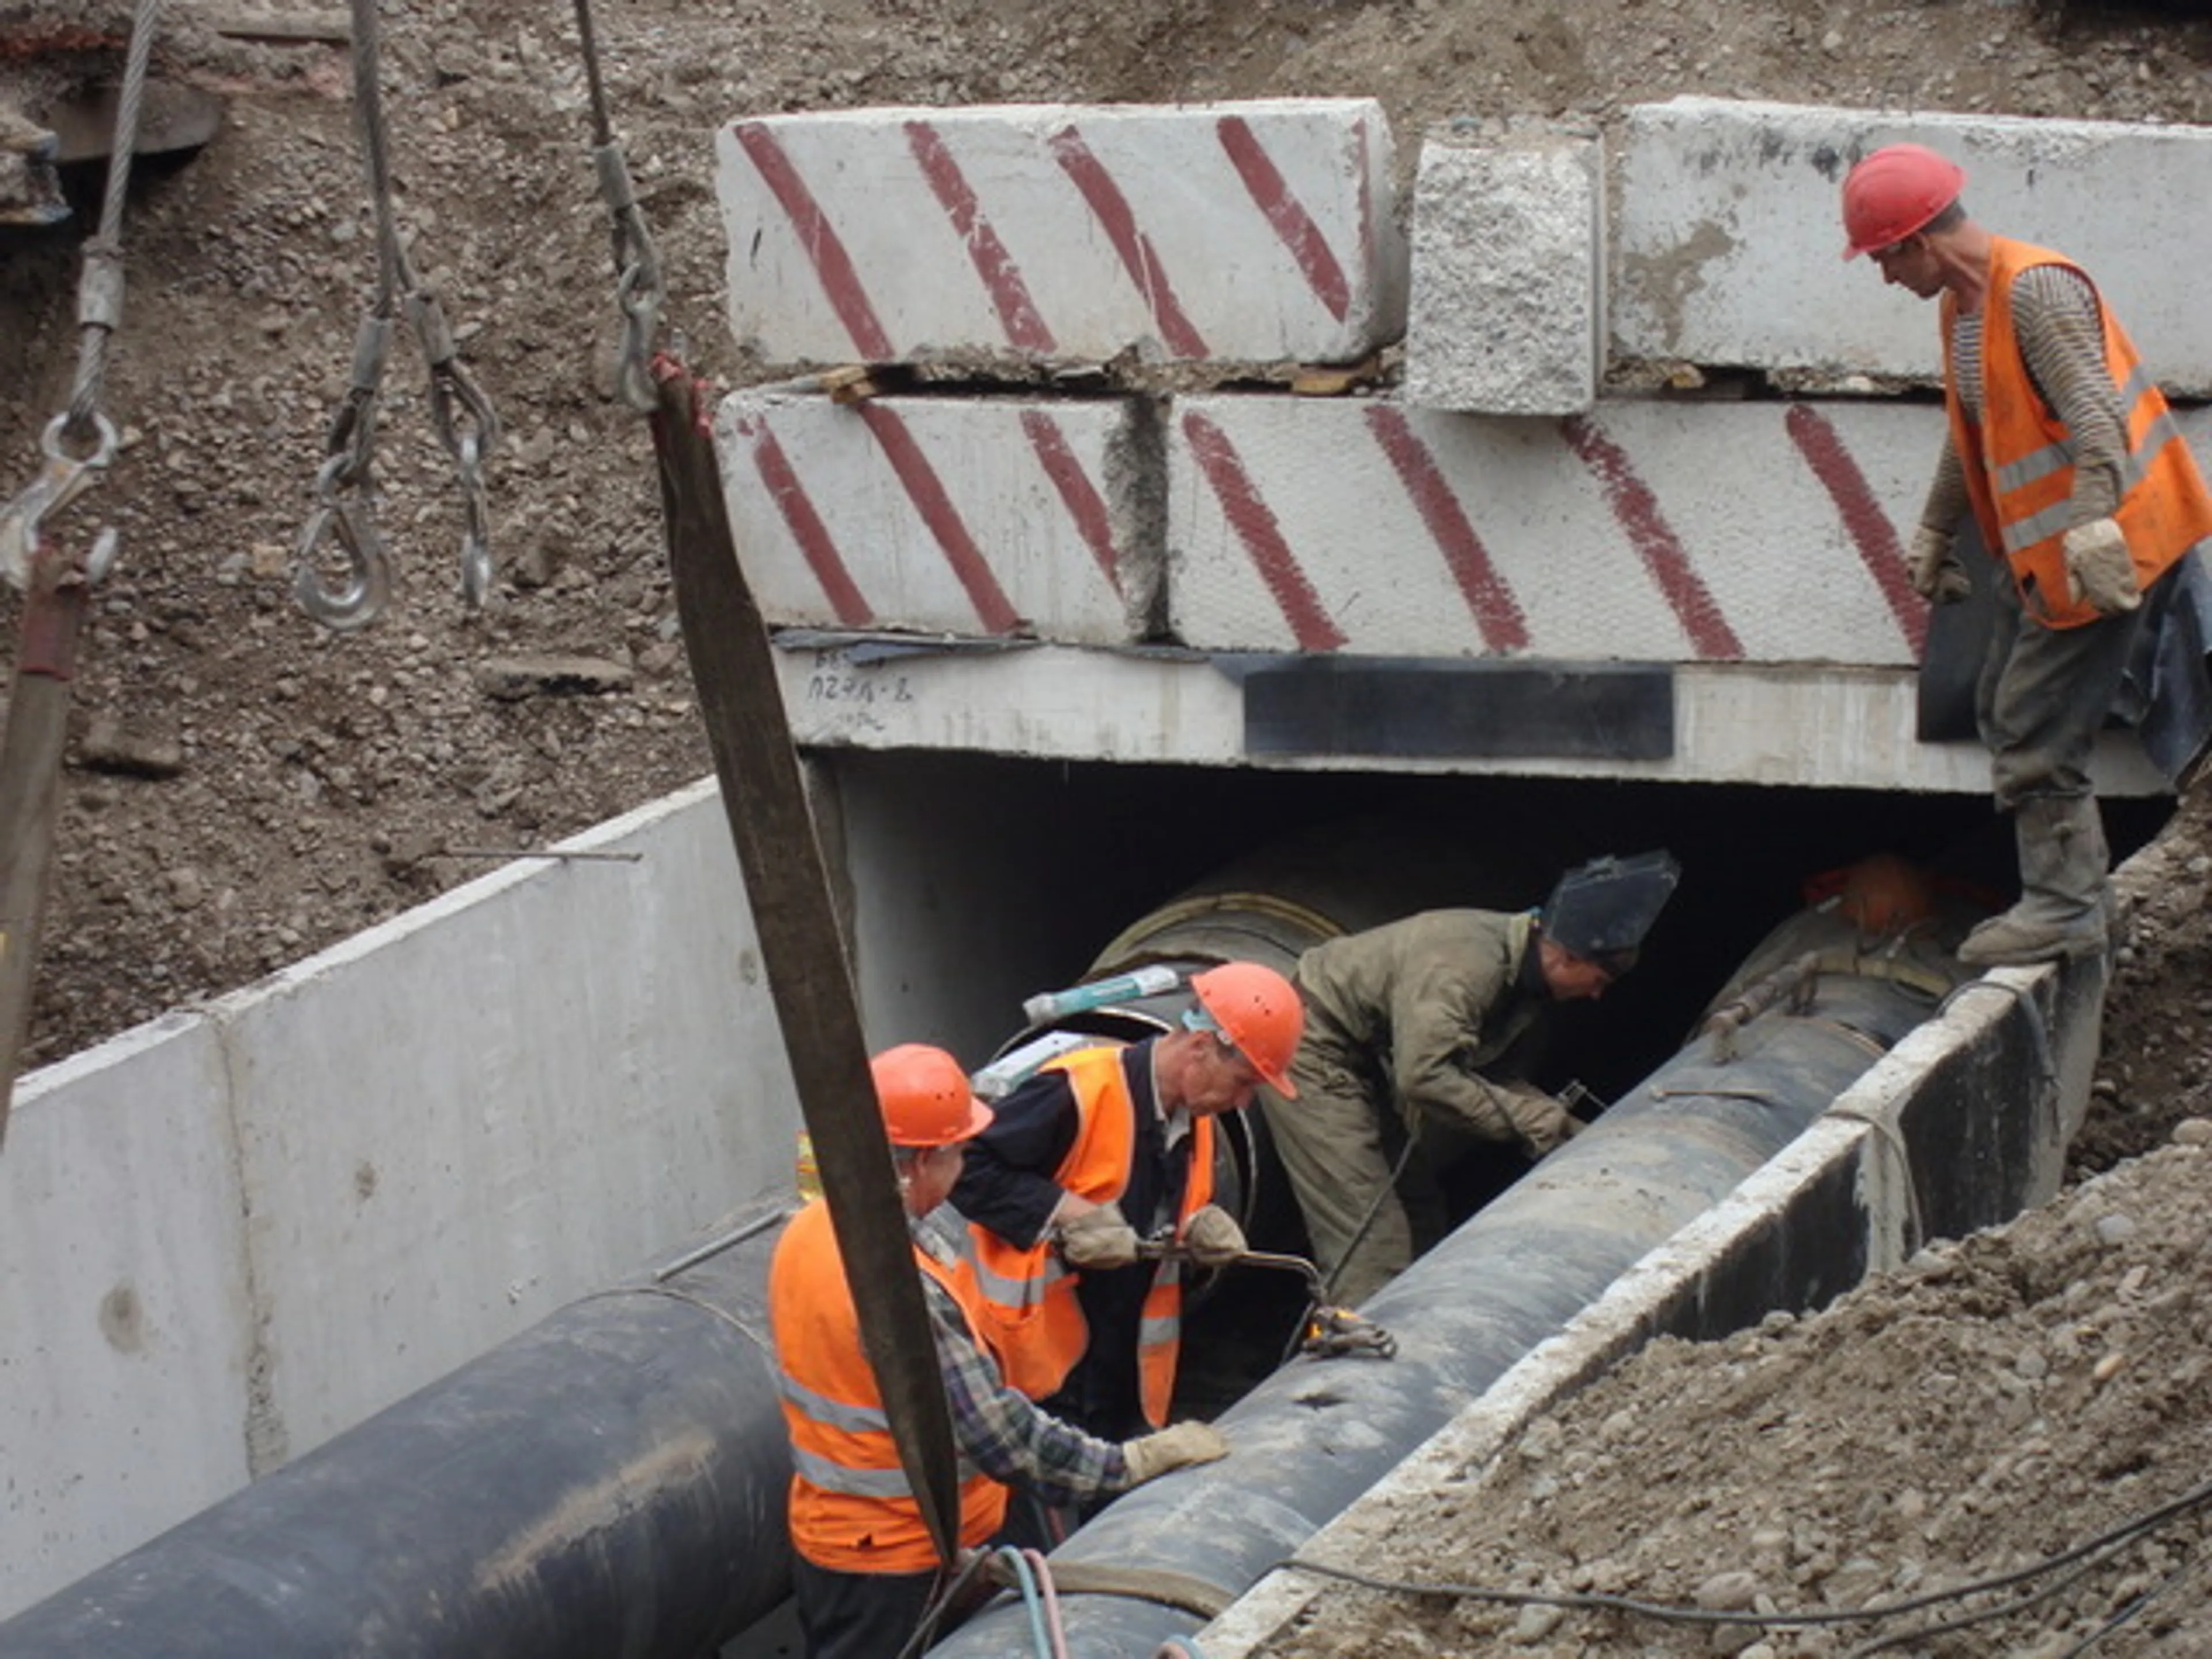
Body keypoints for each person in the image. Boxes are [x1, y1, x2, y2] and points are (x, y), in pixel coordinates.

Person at [1840, 143, 2212, 965]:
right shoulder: (1965, 309)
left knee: (2034, 725)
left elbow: (2097, 421)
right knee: (1998, 705)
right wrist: (1938, 527)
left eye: (1883, 258)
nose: (1884, 278)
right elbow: (1970, 430)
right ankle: (2072, 892)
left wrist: (2088, 526)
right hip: (2043, 551)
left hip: (2106, 546)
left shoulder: (2036, 292)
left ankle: (2066, 905)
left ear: (1920, 244)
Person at [768, 1043, 1230, 1659]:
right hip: (899, 1560)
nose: (965, 1166)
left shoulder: (809, 1231)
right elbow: (1002, 1438)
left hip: (858, 1544)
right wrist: (1133, 1464)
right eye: (959, 1151)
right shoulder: (896, 1294)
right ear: (923, 1162)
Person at [1257, 851, 1681, 1308]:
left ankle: (1419, 1327)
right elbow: (1425, 1078)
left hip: (1355, 1051)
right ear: (1565, 956)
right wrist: (1533, 1122)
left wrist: (1565, 1129)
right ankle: (1356, 1349)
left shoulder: (1519, 972)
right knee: (1372, 1240)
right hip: (1309, 1046)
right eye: (1597, 980)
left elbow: (1483, 1069)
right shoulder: (1466, 969)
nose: (1596, 995)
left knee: (1419, 1207)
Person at [950, 961, 1305, 1442]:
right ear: (1201, 1047)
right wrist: (1064, 1212)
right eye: (1243, 1082)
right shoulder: (1077, 1091)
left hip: (1119, 1377)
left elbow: (1156, 1225)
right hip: (1034, 1373)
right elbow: (967, 1167)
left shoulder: (1194, 1121)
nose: (1243, 1103)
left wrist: (1198, 1232)